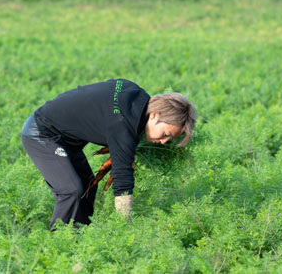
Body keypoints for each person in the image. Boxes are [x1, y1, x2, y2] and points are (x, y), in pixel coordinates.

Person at [21, 79, 196, 230]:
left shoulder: (135, 95)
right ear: (155, 116)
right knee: (71, 189)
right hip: (42, 133)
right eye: (166, 134)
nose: (164, 142)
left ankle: (79, 236)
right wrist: (123, 228)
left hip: (66, 139)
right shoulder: (123, 127)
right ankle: (59, 242)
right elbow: (122, 183)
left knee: (88, 186)